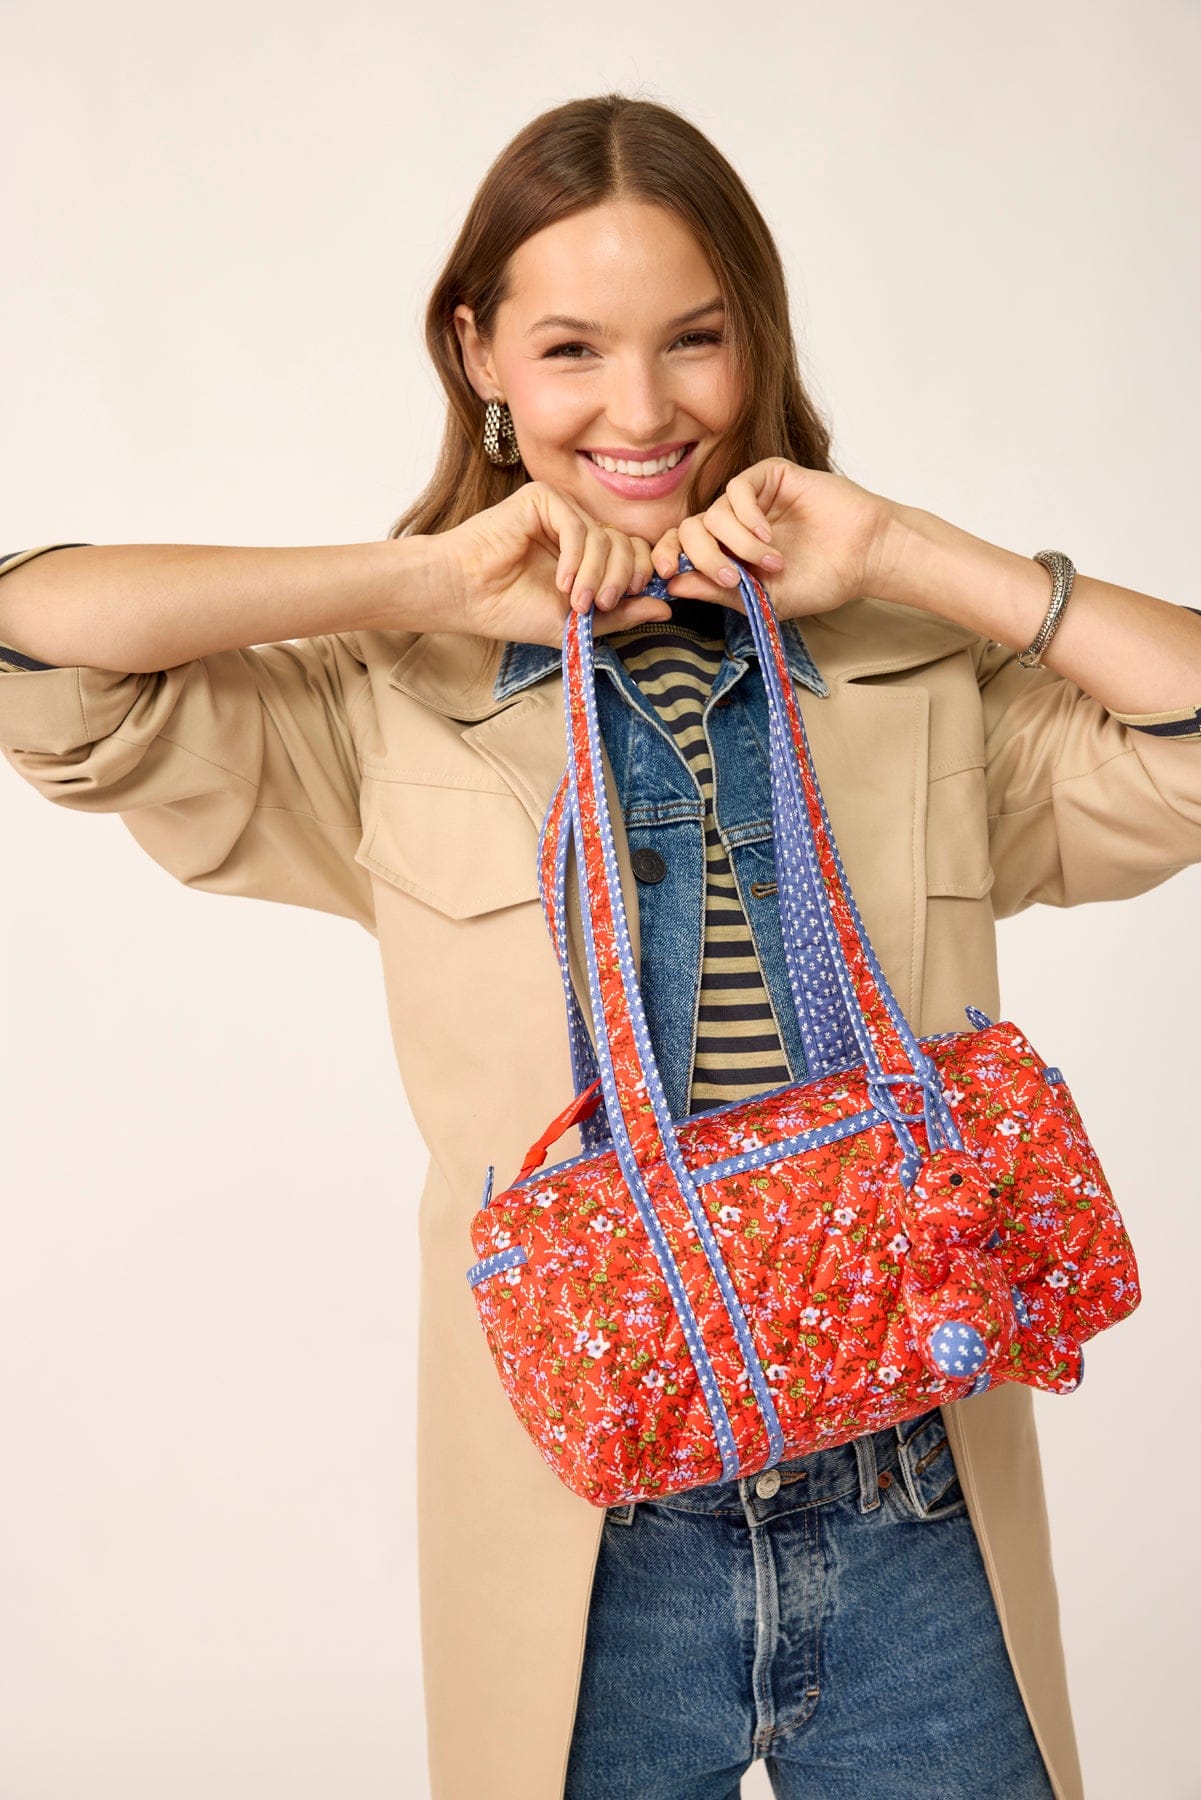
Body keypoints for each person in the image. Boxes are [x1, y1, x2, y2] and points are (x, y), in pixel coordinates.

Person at [2, 92, 1200, 1800]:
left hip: (916, 1496)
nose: (641, 411)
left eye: (694, 338)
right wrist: (413, 585)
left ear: (754, 342)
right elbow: (37, 645)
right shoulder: (382, 707)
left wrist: (913, 554)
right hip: (579, 1534)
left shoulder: (914, 676)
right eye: (571, 348)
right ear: (477, 351)